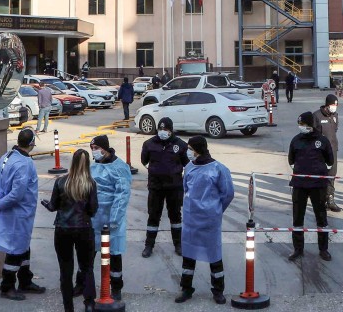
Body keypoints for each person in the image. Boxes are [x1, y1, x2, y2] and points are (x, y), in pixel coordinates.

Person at [0, 128, 46, 300]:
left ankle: (25, 279)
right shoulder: (25, 164)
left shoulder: (6, 157)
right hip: (19, 212)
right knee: (15, 250)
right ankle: (7, 286)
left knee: (23, 247)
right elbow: (17, 194)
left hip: (13, 211)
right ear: (31, 144)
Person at [176, 136, 234, 305]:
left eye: (190, 148)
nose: (187, 151)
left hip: (210, 221)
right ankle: (186, 288)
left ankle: (218, 291)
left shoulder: (218, 169)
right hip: (191, 219)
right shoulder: (188, 167)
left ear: (198, 149)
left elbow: (228, 193)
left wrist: (216, 210)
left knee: (214, 255)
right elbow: (185, 188)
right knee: (188, 255)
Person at [46, 150, 98, 312]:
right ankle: (89, 303)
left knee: (65, 270)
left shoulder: (61, 182)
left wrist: (46, 203)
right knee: (87, 267)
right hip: (83, 228)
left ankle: (68, 307)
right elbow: (93, 210)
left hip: (63, 229)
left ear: (72, 162)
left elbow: (53, 206)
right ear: (87, 163)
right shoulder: (90, 184)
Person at [89, 135, 132, 300]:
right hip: (94, 218)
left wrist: (114, 218)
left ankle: (116, 287)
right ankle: (83, 283)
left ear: (104, 148)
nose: (94, 152)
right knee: (89, 253)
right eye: (92, 149)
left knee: (113, 255)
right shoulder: (93, 167)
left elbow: (122, 195)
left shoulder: (119, 167)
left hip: (112, 219)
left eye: (96, 148)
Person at [288, 112, 334, 262]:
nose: (301, 127)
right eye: (300, 124)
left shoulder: (322, 141)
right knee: (297, 218)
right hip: (299, 185)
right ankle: (298, 249)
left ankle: (323, 249)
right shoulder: (296, 140)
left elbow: (330, 161)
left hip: (318, 186)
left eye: (303, 124)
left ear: (310, 125)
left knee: (321, 217)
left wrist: (318, 172)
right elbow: (291, 161)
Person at [140, 118, 189, 258]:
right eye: (160, 129)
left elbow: (187, 163)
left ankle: (178, 244)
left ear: (171, 131)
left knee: (175, 216)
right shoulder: (149, 144)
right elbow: (144, 160)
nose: (163, 132)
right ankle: (149, 245)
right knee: (153, 216)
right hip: (156, 187)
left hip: (174, 187)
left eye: (166, 130)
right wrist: (154, 170)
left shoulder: (180, 145)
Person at [313, 94, 341, 212]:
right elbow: (312, 134)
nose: (334, 107)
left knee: (331, 174)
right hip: (320, 152)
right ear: (327, 105)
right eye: (332, 105)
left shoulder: (334, 115)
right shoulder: (316, 116)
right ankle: (320, 201)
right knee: (320, 176)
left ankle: (330, 199)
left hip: (332, 149)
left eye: (336, 105)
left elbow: (335, 129)